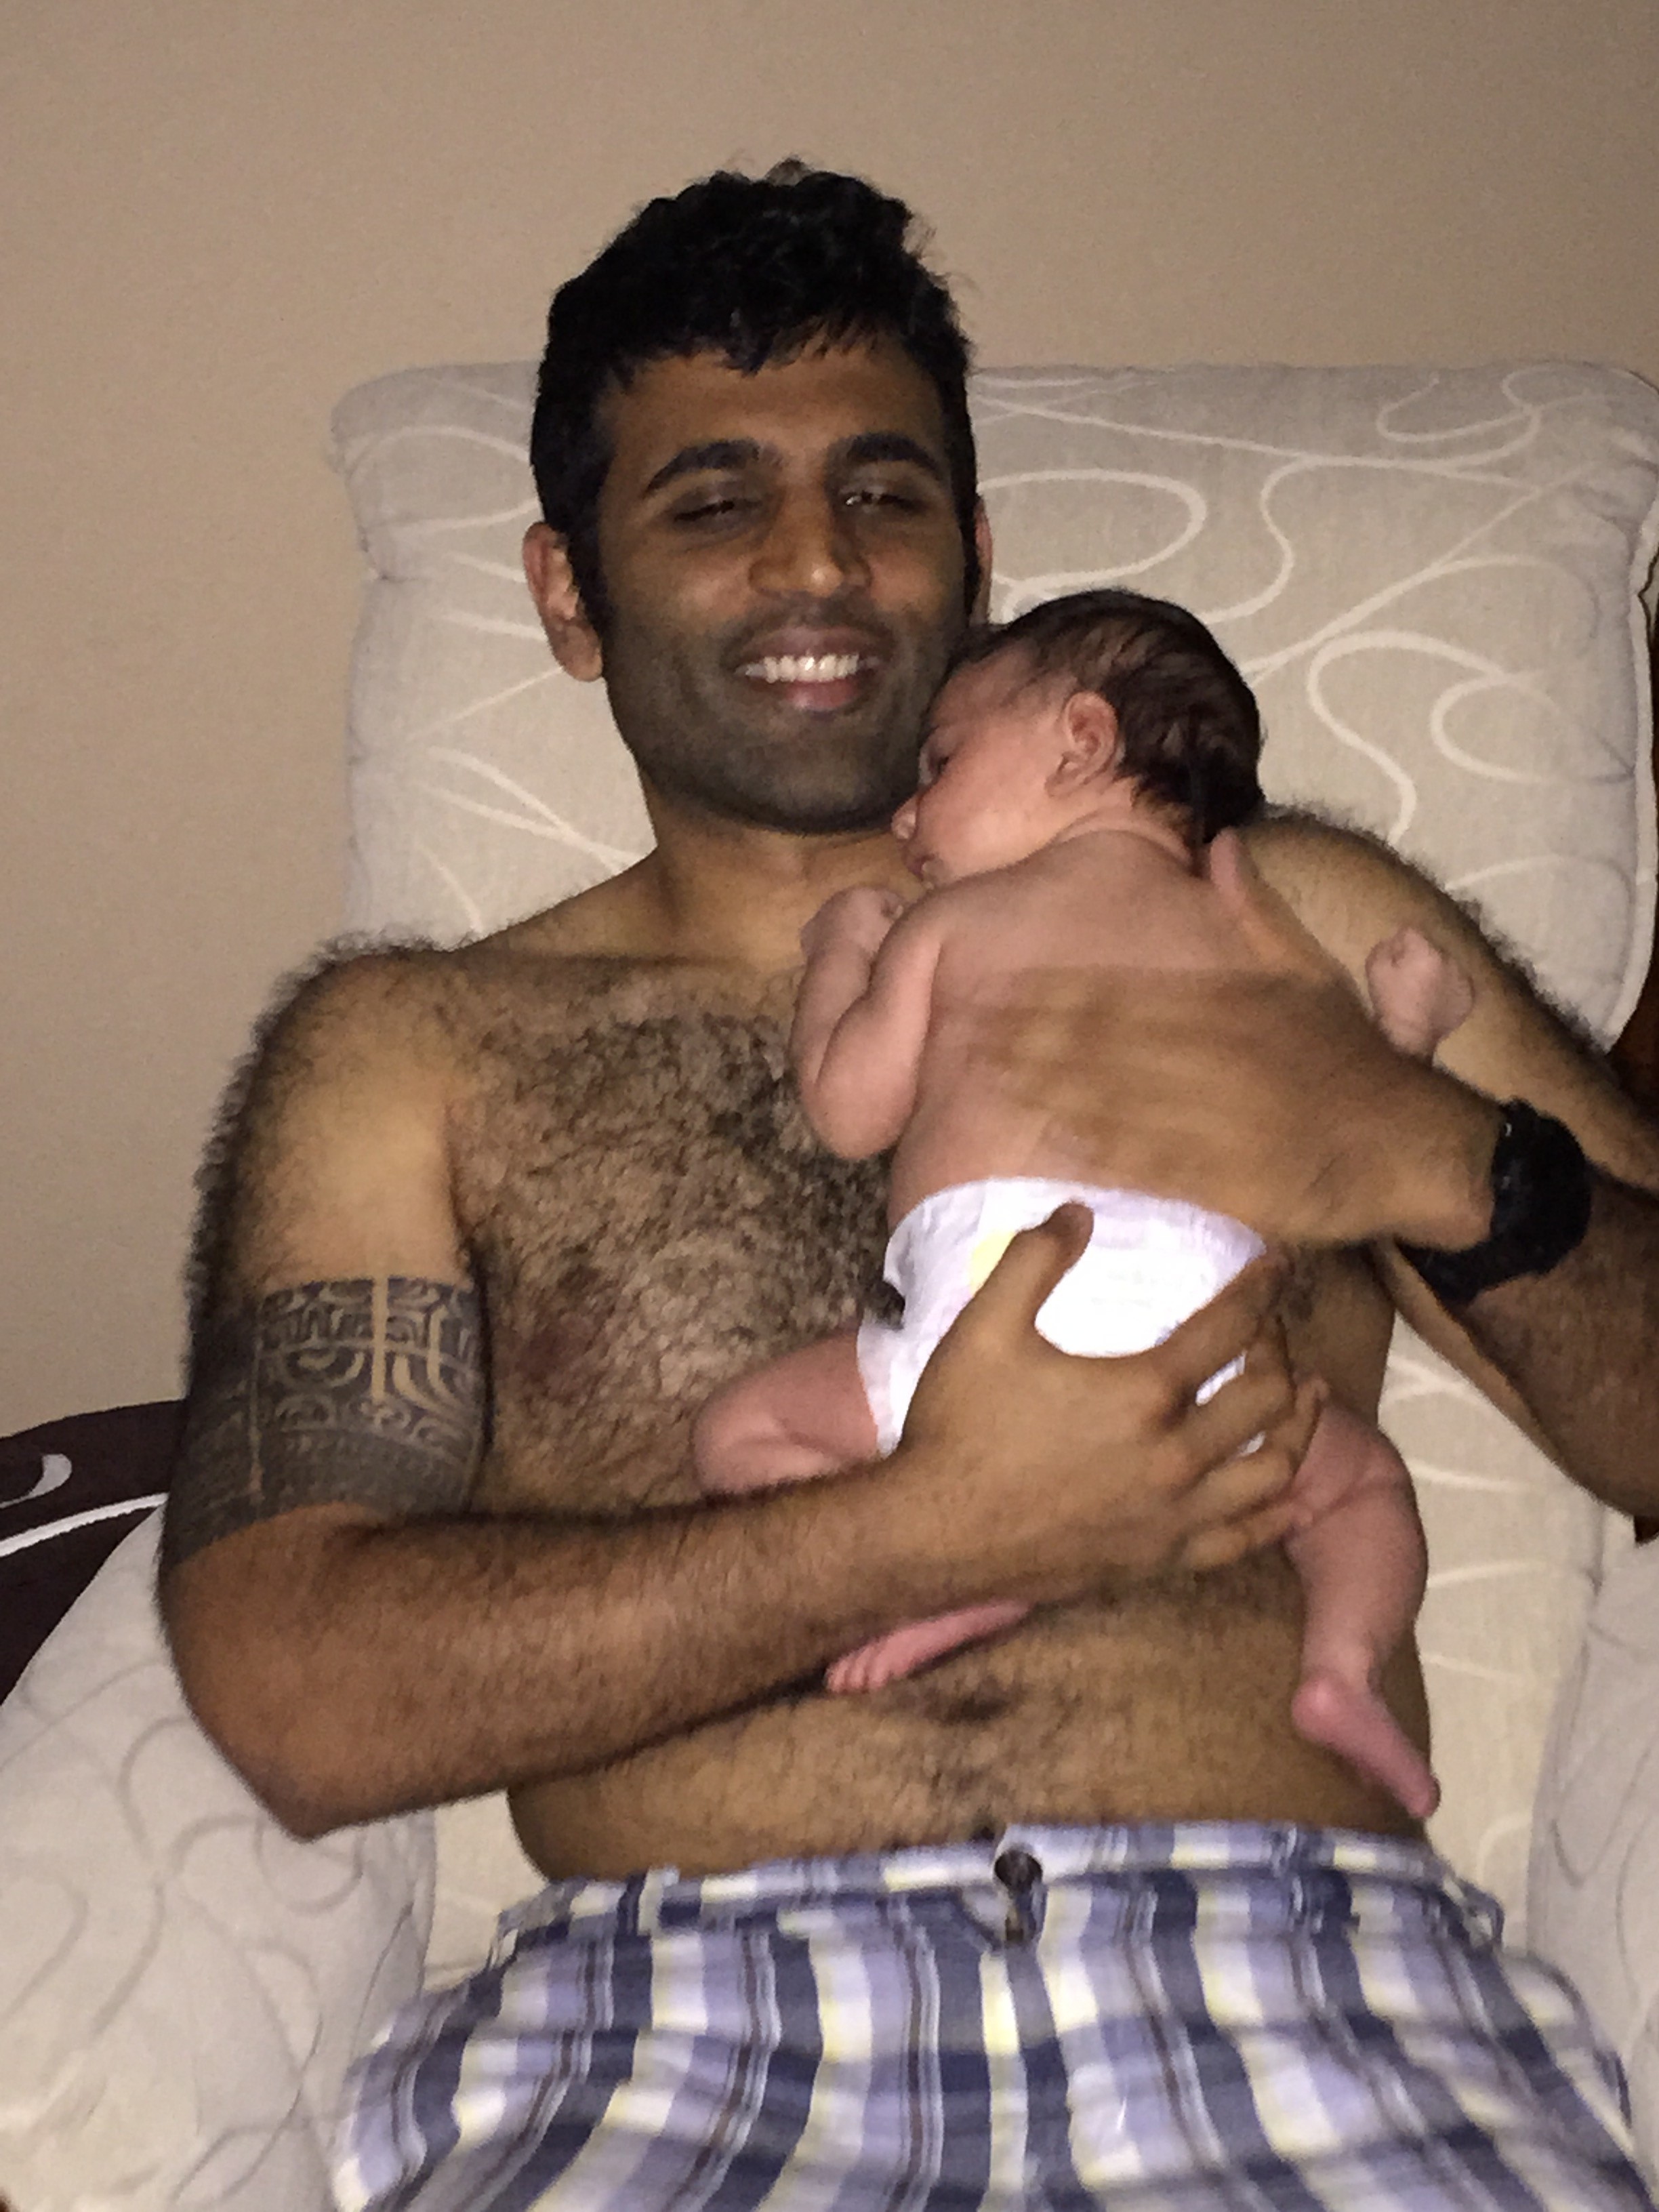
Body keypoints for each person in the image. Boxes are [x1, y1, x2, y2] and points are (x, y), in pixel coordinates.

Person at [155, 163, 1659, 2209]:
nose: (820, 560)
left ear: (978, 553)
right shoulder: (416, 1050)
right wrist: (921, 1531)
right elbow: (295, 1693)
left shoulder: (1278, 914)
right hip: (681, 2045)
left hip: (1313, 1990)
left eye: (886, 491)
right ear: (568, 596)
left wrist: (1445, 1158)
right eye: (713, 503)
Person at [693, 590, 1474, 1825]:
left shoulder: (955, 923)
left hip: (975, 1321)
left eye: (940, 764)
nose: (905, 815)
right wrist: (1410, 1030)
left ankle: (946, 1570)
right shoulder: (1247, 936)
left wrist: (840, 950)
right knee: (1362, 1487)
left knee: (742, 1434)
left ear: (1084, 740)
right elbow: (1353, 1130)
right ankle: (1340, 1668)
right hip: (1204, 1348)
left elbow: (847, 1111)